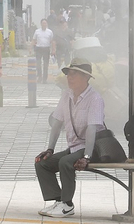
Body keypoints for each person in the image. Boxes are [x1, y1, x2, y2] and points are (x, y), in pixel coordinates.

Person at [34, 57, 105, 218]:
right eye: (68, 74)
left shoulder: (94, 99)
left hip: (92, 147)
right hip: (75, 147)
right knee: (43, 163)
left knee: (65, 162)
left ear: (86, 78)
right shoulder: (66, 95)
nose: (69, 77)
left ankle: (67, 204)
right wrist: (50, 149)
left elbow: (92, 129)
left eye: (74, 74)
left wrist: (87, 156)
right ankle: (59, 200)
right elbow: (57, 123)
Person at [31, 18, 55, 83]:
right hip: (38, 48)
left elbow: (52, 41)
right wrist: (31, 48)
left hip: (46, 49)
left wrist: (53, 50)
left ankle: (45, 78)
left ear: (47, 24)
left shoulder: (50, 32)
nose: (44, 24)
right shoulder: (37, 31)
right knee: (38, 63)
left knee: (45, 64)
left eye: (45, 23)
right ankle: (39, 77)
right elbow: (34, 40)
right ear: (41, 24)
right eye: (43, 23)